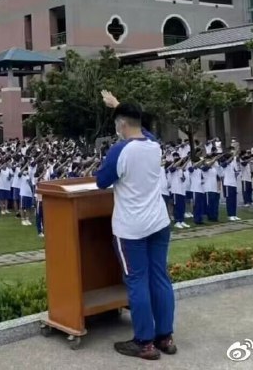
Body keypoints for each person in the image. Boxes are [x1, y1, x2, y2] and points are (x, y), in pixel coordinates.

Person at [96, 103, 176, 360]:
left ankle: (144, 342)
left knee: (137, 281)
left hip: (132, 227)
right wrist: (120, 106)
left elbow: (101, 181)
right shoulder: (154, 146)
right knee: (160, 277)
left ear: (121, 124)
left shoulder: (120, 150)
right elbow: (146, 133)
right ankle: (165, 336)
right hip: (158, 222)